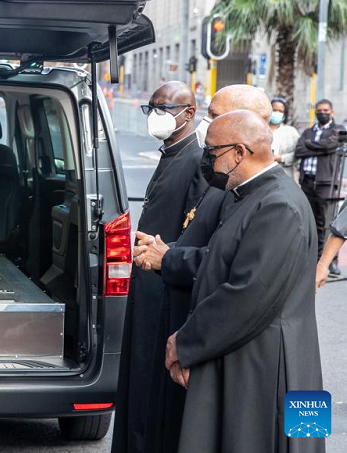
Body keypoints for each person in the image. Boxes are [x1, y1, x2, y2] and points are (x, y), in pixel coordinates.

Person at [165, 110, 323, 453]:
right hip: (256, 353)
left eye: (212, 153)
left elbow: (247, 295)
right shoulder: (251, 195)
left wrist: (184, 341)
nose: (207, 161)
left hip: (271, 363)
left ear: (239, 152)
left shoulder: (279, 204)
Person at [133, 84, 273, 453]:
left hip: (237, 350)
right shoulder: (235, 184)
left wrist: (188, 342)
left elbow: (239, 282)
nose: (209, 130)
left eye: (217, 116)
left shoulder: (275, 202)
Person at [111, 81, 206, 453]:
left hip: (166, 290)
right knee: (136, 381)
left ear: (189, 113)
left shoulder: (196, 161)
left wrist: (163, 260)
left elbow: (194, 236)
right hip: (146, 286)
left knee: (152, 390)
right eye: (151, 107)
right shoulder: (170, 151)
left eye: (164, 108)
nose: (156, 116)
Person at [295, 98, 344, 275]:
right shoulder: (308, 131)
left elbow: (331, 144)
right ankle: (314, 260)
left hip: (326, 184)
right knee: (310, 222)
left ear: (331, 112)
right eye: (319, 110)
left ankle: (331, 262)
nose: (321, 113)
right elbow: (298, 150)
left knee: (328, 223)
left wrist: (310, 146)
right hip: (307, 182)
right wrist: (318, 148)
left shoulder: (338, 130)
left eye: (325, 110)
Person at [269, 97, 300, 177]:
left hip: (284, 173)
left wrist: (281, 158)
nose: (277, 113)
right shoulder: (260, 129)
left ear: (284, 114)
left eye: (280, 111)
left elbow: (298, 152)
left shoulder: (291, 132)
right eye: (274, 110)